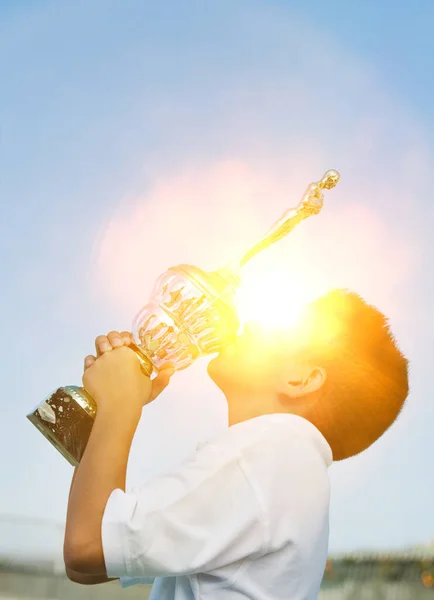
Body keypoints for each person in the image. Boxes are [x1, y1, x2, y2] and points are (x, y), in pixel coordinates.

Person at [63, 289, 409, 599]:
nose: (255, 324)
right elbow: (89, 565)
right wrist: (108, 405)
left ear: (300, 380)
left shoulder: (274, 449)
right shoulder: (291, 469)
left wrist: (119, 403)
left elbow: (86, 544)